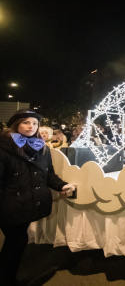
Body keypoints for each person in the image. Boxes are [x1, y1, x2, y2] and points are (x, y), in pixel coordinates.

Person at [0, 109, 75, 285]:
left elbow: (48, 175)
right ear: (16, 125)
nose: (31, 126)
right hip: (10, 205)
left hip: (26, 204)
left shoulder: (41, 147)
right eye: (26, 122)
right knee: (15, 242)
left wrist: (62, 185)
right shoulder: (4, 147)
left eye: (34, 123)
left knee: (16, 243)